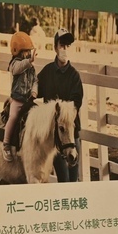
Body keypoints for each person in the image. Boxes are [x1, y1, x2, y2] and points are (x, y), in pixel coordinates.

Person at [37, 28, 84, 182]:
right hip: (54, 135)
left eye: (68, 46)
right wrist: (15, 97)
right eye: (62, 45)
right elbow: (33, 89)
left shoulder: (74, 76)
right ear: (55, 47)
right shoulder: (47, 72)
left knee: (73, 178)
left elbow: (76, 102)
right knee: (63, 179)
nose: (65, 49)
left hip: (70, 131)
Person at [3, 31, 38, 161]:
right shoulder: (15, 64)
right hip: (17, 100)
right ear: (17, 51)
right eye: (26, 51)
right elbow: (18, 68)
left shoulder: (31, 67)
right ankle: (6, 144)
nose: (29, 54)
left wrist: (34, 91)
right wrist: (29, 61)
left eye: (29, 51)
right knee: (13, 117)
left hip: (28, 100)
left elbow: (35, 80)